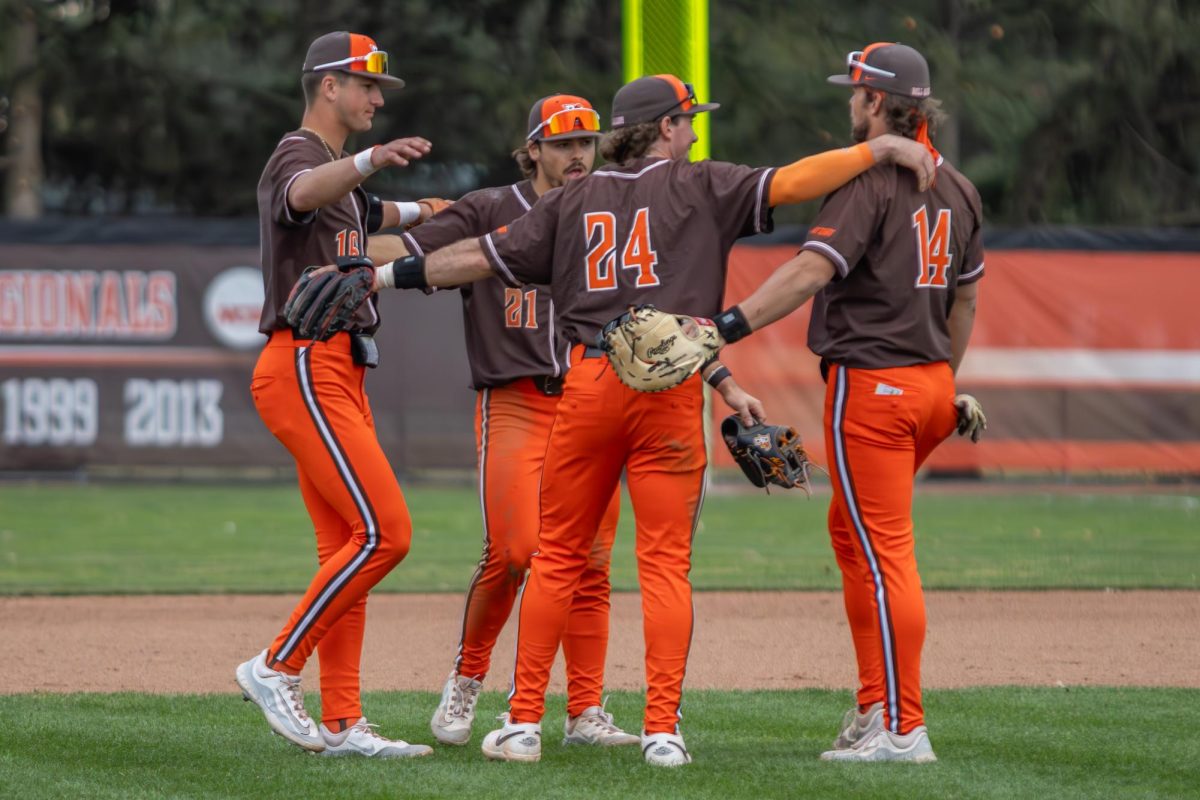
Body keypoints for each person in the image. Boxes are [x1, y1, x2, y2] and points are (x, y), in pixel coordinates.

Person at [368, 73, 935, 766]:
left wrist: (384, 278)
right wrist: (875, 153)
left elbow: (478, 259)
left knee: (558, 558)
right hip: (668, 391)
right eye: (688, 120)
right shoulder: (703, 183)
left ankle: (521, 723)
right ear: (665, 127)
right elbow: (792, 182)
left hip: (589, 380)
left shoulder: (575, 196)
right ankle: (663, 729)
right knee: (665, 566)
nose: (695, 131)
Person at [703, 43, 987, 762]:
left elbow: (808, 271)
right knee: (850, 535)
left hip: (873, 386)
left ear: (876, 102)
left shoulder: (871, 180)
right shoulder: (960, 187)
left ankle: (902, 725)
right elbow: (967, 297)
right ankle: (874, 705)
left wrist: (729, 324)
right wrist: (944, 381)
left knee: (884, 552)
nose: (849, 102)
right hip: (927, 386)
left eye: (856, 92)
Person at [378, 94, 635, 748]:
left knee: (594, 562)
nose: (577, 154)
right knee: (515, 552)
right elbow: (407, 246)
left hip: (590, 398)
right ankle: (466, 680)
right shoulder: (492, 209)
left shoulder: (612, 207)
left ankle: (584, 712)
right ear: (533, 151)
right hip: (516, 400)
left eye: (586, 142)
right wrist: (336, 248)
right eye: (562, 143)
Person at [235, 30, 442, 758]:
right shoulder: (303, 155)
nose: (378, 99)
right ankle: (274, 667)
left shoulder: (342, 178)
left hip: (339, 369)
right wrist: (365, 162)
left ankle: (345, 721)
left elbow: (377, 218)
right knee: (387, 534)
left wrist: (443, 212)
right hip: (304, 363)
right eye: (367, 85)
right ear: (328, 85)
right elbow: (301, 194)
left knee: (347, 547)